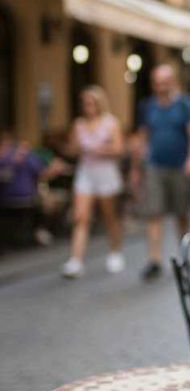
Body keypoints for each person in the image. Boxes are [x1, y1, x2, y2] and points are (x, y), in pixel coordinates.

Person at [132, 64, 190, 280]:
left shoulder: (185, 104)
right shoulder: (148, 106)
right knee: (154, 212)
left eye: (165, 81)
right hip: (155, 166)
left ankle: (184, 257)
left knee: (181, 213)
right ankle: (154, 260)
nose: (161, 86)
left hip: (180, 166)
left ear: (172, 81)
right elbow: (143, 136)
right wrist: (136, 166)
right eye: (157, 82)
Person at [61, 87, 125, 278]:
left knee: (109, 216)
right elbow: (71, 150)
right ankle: (76, 260)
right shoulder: (78, 124)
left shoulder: (110, 123)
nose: (87, 106)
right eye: (84, 103)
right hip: (85, 173)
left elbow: (119, 149)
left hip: (105, 173)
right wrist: (76, 148)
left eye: (90, 102)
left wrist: (100, 150)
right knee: (81, 217)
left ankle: (115, 251)